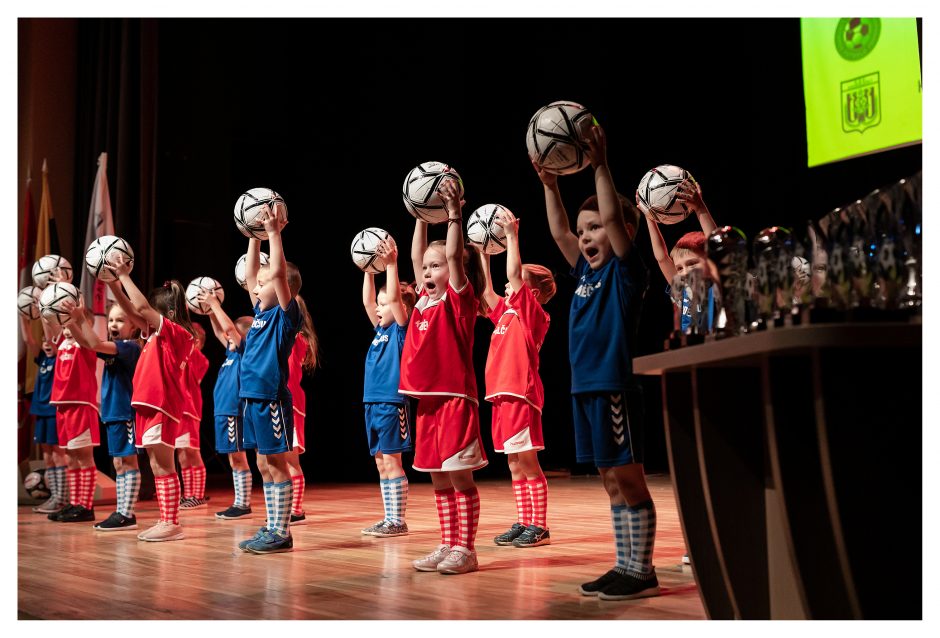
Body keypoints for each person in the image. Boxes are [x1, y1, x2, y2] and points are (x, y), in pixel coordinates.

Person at [534, 123, 659, 600]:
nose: (586, 236)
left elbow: (610, 215)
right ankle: (625, 564)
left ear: (623, 233)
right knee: (609, 480)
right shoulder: (584, 270)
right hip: (585, 387)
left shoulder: (627, 273)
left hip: (614, 386)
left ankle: (642, 571)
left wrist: (602, 164)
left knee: (627, 476)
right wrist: (550, 186)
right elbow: (559, 229)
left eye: (598, 229)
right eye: (585, 230)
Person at [400, 179, 489, 575]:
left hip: (455, 397)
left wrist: (454, 215)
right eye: (425, 268)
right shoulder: (423, 299)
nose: (428, 270)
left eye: (436, 266)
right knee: (437, 478)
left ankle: (465, 549)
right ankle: (447, 542)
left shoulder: (459, 299)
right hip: (428, 401)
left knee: (459, 477)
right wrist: (419, 215)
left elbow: (452, 254)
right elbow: (419, 255)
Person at [479, 207, 556, 548]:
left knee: (527, 461)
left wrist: (511, 237)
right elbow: (486, 293)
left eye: (518, 285)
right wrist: (483, 252)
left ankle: (539, 525)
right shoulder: (506, 312)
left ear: (531, 293)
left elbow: (512, 276)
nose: (510, 289)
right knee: (513, 463)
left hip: (522, 395)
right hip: (501, 394)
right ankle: (524, 520)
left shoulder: (533, 314)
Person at [106, 263, 196, 542]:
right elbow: (136, 312)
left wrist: (123, 275)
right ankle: (166, 519)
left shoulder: (180, 335)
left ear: (168, 314)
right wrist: (112, 285)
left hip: (162, 405)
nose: (144, 320)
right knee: (157, 465)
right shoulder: (156, 335)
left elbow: (142, 310)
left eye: (154, 315)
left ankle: (171, 522)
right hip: (147, 405)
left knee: (164, 464)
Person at [236, 205, 303, 555]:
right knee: (263, 462)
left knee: (277, 462)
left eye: (264, 284)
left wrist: (274, 234)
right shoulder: (261, 312)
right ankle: (272, 523)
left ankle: (282, 530)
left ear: (280, 289)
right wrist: (253, 236)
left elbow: (275, 274)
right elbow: (252, 276)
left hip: (271, 397)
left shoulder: (284, 315)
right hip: (252, 397)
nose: (256, 287)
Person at [68, 301, 144, 531]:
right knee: (118, 462)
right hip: (112, 413)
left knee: (128, 461)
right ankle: (121, 512)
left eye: (120, 320)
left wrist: (81, 317)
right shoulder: (115, 347)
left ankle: (126, 513)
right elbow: (87, 344)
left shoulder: (130, 347)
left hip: (125, 412)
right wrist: (70, 322)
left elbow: (93, 342)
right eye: (111, 320)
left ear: (134, 327)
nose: (113, 324)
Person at [359, 234, 416, 538]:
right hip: (372, 403)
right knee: (381, 463)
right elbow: (369, 300)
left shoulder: (400, 331)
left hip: (393, 403)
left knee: (393, 461)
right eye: (379, 305)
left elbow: (394, 300)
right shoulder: (379, 329)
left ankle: (398, 520)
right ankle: (389, 517)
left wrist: (391, 265)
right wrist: (369, 268)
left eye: (385, 305)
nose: (379, 309)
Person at [201, 286, 254, 520]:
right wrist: (210, 313)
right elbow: (221, 332)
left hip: (234, 411)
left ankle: (242, 504)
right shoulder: (231, 353)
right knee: (233, 458)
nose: (225, 335)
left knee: (237, 456)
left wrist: (215, 305)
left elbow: (230, 330)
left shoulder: (246, 352)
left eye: (230, 335)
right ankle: (239, 502)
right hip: (224, 412)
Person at [46, 306, 100, 524]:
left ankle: (86, 506)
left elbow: (84, 334)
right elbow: (50, 327)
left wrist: (76, 319)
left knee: (84, 457)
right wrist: (48, 298)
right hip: (63, 406)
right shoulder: (63, 344)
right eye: (65, 322)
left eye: (73, 323)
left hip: (81, 406)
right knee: (69, 456)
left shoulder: (86, 345)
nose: (67, 327)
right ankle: (75, 502)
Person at [644, 179, 718, 335]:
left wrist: (699, 207)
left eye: (692, 263)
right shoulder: (682, 291)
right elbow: (662, 258)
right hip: (691, 352)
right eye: (679, 268)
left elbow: (715, 245)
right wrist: (650, 218)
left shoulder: (716, 284)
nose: (684, 272)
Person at [19, 315, 68, 514]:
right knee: (47, 457)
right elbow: (29, 340)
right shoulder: (43, 359)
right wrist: (23, 317)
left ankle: (62, 499)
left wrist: (47, 313)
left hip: (54, 411)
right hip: (40, 411)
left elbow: (55, 337)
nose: (47, 344)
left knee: (58, 455)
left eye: (50, 341)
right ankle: (54, 497)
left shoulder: (60, 359)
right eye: (44, 341)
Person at [282, 287, 319, 526]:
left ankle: (296, 509)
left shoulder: (297, 339)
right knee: (281, 460)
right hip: (282, 401)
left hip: (292, 402)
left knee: (290, 460)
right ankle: (288, 508)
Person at [178, 322, 210, 510]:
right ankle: (187, 494)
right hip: (177, 409)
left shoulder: (200, 359)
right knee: (182, 455)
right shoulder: (182, 355)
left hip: (189, 410)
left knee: (192, 452)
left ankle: (198, 495)